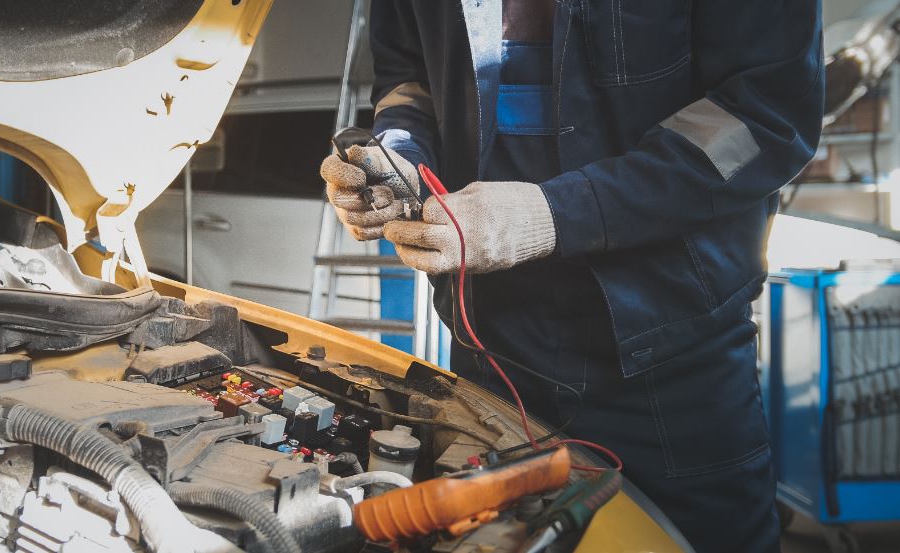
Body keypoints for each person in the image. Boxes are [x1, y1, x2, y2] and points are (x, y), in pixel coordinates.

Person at [320, 2, 824, 551]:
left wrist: (555, 215)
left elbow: (764, 117)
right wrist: (400, 156)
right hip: (489, 348)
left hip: (668, 359)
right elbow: (408, 84)